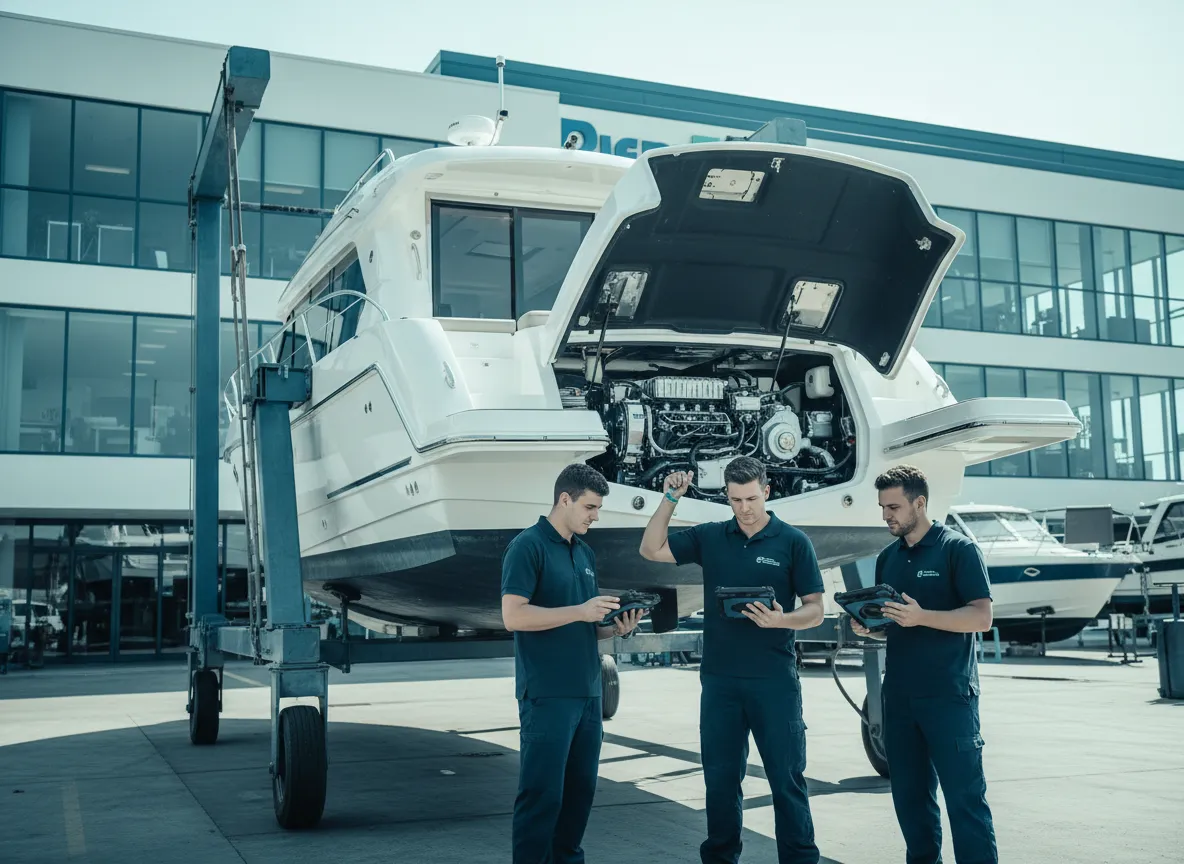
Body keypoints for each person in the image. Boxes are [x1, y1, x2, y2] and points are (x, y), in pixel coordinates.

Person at [639, 456, 826, 864]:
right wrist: (670, 498)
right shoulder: (710, 537)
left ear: (768, 492)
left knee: (786, 781)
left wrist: (781, 620)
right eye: (736, 499)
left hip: (774, 681)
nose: (744, 508)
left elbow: (815, 610)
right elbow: (650, 548)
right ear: (726, 495)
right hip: (720, 682)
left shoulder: (793, 542)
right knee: (721, 783)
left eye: (752, 498)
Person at [850, 464, 998, 864]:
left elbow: (981, 618)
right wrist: (871, 629)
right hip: (899, 697)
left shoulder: (958, 550)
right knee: (911, 802)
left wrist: (922, 615)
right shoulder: (887, 558)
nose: (886, 516)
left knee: (965, 802)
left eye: (894, 507)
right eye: (882, 508)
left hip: (949, 696)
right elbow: (897, 625)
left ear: (920, 503)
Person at [500, 462, 645, 864]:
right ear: (564, 499)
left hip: (587, 693)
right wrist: (580, 611)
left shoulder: (583, 552)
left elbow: (584, 624)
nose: (595, 516)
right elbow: (514, 616)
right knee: (542, 796)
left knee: (580, 795)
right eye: (590, 507)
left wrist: (614, 628)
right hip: (547, 694)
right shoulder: (527, 547)